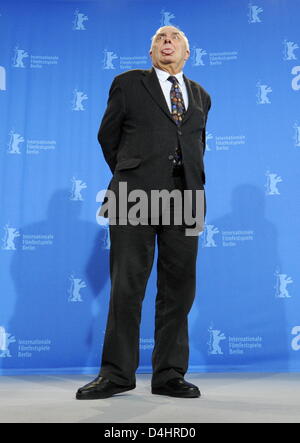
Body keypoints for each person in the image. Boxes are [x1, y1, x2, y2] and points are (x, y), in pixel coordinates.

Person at [76, 25, 211, 400]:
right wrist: (131, 171)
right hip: (133, 194)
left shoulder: (202, 95)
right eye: (159, 40)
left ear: (187, 53)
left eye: (175, 39)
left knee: (179, 289)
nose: (166, 42)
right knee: (126, 286)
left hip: (186, 198)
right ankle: (117, 374)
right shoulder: (129, 83)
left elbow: (197, 144)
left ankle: (169, 374)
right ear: (152, 54)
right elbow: (109, 136)